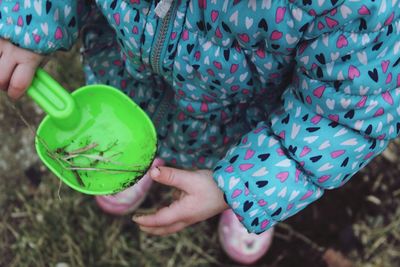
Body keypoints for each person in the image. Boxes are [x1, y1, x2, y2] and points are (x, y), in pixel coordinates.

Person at [0, 0, 399, 264]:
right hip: (125, 76)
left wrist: (240, 187)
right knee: (132, 126)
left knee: (226, 173)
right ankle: (133, 162)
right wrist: (33, 20)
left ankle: (234, 203)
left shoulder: (357, 8)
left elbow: (345, 113)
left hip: (237, 128)